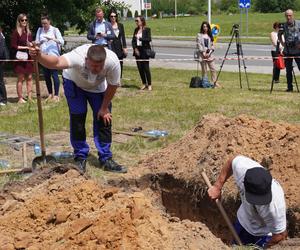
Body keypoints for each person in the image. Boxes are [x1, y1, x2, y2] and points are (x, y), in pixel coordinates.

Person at [29, 43, 127, 174]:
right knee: (78, 119)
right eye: (93, 65)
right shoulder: (77, 57)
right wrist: (40, 55)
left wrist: (104, 108)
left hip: (98, 88)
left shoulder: (113, 62)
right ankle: (80, 157)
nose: (96, 69)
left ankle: (106, 158)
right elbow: (56, 63)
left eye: (100, 66)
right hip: (74, 83)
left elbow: (113, 85)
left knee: (104, 119)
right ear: (86, 60)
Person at [208, 155, 287, 248]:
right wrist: (217, 186)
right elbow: (232, 161)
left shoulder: (275, 207)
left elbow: (280, 235)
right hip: (243, 221)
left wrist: (265, 247)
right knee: (235, 247)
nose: (258, 202)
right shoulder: (242, 168)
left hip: (263, 234)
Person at [35, 15, 64, 102]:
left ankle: (56, 95)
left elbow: (62, 41)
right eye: (42, 23)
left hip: (53, 56)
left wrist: (52, 39)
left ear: (49, 22)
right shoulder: (40, 30)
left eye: (45, 23)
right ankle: (50, 94)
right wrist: (40, 42)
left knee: (54, 75)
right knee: (46, 75)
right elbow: (36, 42)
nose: (44, 25)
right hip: (43, 55)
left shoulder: (55, 30)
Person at [11, 13, 34, 103]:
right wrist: (26, 47)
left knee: (30, 77)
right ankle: (20, 98)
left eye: (26, 20)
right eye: (22, 20)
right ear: (19, 21)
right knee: (21, 78)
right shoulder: (16, 32)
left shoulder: (28, 32)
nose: (24, 21)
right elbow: (13, 46)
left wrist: (32, 45)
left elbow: (30, 44)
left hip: (28, 58)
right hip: (19, 58)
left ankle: (30, 97)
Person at [278, 9, 300, 92]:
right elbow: (279, 35)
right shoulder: (283, 25)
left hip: (298, 51)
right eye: (287, 15)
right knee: (288, 70)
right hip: (288, 51)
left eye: (290, 15)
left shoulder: (298, 23)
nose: (288, 17)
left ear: (293, 15)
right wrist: (282, 42)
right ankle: (289, 87)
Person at [132, 16, 152, 91]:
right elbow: (133, 41)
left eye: (137, 20)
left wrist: (140, 38)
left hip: (145, 50)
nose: (136, 22)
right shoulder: (136, 30)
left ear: (142, 21)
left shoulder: (147, 29)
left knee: (146, 68)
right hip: (138, 50)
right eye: (135, 21)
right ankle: (144, 83)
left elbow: (149, 39)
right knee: (140, 68)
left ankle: (149, 84)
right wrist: (135, 48)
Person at [196, 21, 219, 87]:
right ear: (202, 27)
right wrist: (203, 52)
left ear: (208, 27)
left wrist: (209, 53)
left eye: (206, 26)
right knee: (204, 70)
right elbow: (199, 44)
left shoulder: (210, 35)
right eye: (204, 27)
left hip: (209, 55)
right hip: (202, 55)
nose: (205, 28)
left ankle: (215, 82)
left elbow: (212, 46)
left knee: (213, 69)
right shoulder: (199, 35)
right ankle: (204, 82)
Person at [108, 9, 127, 78]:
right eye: (111, 16)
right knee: (111, 63)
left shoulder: (120, 25)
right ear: (109, 17)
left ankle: (119, 79)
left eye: (114, 16)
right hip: (111, 46)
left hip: (119, 46)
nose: (113, 18)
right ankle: (111, 78)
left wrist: (124, 47)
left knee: (120, 63)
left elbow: (123, 37)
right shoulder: (108, 25)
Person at [0, 24, 9, 106]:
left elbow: (2, 50)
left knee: (0, 81)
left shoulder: (1, 37)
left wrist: (4, 60)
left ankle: (3, 100)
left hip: (0, 61)